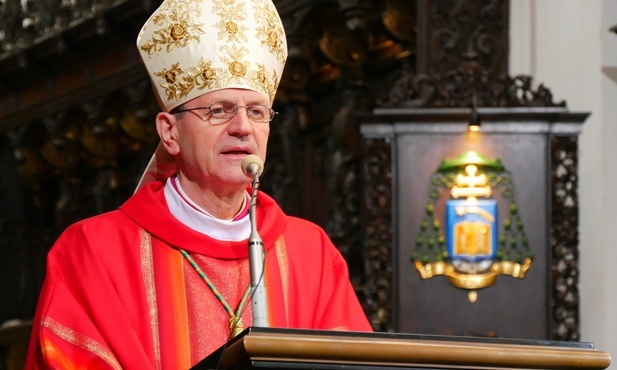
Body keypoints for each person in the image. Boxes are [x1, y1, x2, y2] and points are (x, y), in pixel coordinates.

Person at [25, 0, 373, 368]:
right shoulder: (93, 253)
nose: (242, 126)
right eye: (219, 110)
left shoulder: (311, 254)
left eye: (256, 111)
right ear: (169, 132)